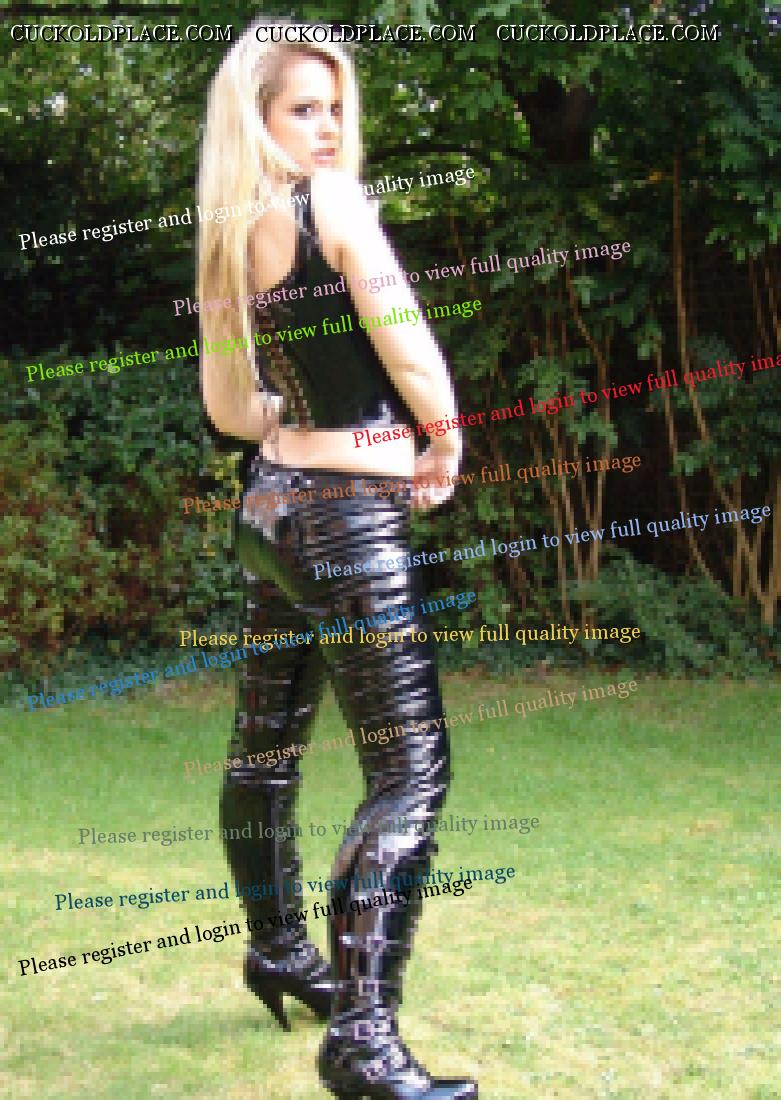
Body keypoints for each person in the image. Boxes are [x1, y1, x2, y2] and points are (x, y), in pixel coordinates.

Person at [197, 19, 476, 1099]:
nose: (325, 127)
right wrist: (441, 436)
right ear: (257, 118)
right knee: (408, 774)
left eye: (335, 107)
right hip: (346, 520)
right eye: (302, 108)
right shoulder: (334, 206)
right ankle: (362, 1039)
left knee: (265, 752)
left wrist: (298, 421)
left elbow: (233, 410)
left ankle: (279, 950)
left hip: (270, 511)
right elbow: (405, 343)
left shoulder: (227, 233)